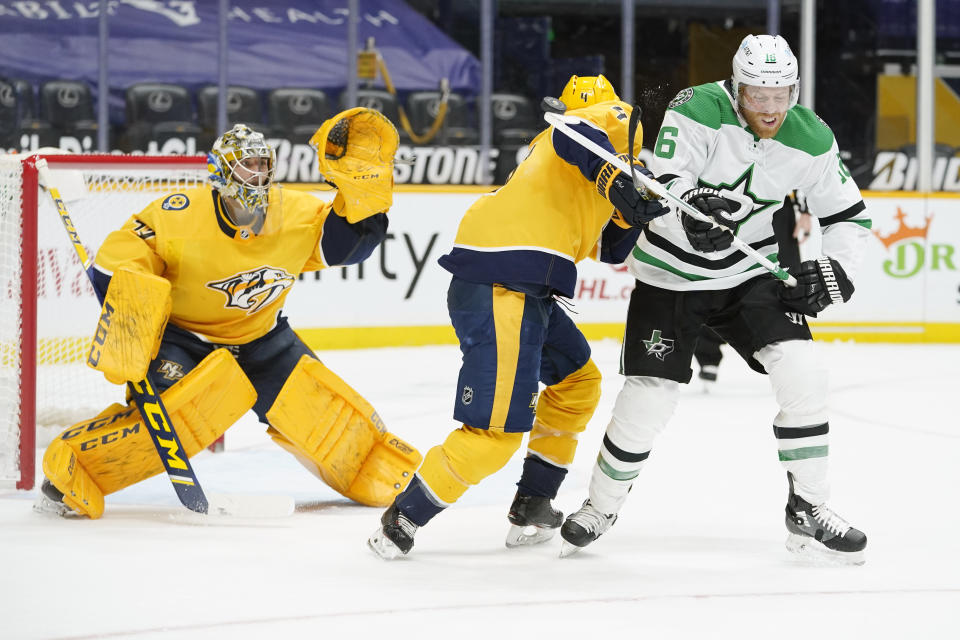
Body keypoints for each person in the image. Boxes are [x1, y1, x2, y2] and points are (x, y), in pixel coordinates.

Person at [560, 35, 871, 565]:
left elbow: (848, 216)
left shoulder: (813, 137)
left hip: (752, 272)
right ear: (736, 86)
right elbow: (666, 181)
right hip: (672, 274)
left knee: (804, 371)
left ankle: (809, 506)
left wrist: (835, 269)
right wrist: (689, 211)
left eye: (782, 95)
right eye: (758, 96)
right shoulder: (698, 106)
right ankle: (601, 505)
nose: (771, 109)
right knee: (649, 396)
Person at [34, 115, 421, 519]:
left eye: (262, 165)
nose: (256, 174)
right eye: (245, 165)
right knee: (173, 421)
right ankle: (70, 470)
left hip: (263, 340)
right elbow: (115, 262)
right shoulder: (179, 214)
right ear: (220, 173)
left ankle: (380, 473)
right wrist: (133, 316)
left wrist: (365, 199)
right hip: (186, 341)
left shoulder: (295, 213)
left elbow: (347, 249)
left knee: (322, 418)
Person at [367, 75, 670, 559]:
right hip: (502, 285)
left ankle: (534, 500)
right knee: (495, 434)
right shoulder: (584, 131)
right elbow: (579, 134)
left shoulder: (588, 172)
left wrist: (634, 210)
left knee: (578, 385)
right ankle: (404, 516)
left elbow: (611, 249)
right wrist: (622, 181)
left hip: (527, 291)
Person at [694, 191, 812, 388]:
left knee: (785, 277)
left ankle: (786, 352)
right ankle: (708, 355)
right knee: (718, 273)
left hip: (778, 204)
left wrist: (805, 210)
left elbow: (805, 164)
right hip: (727, 199)